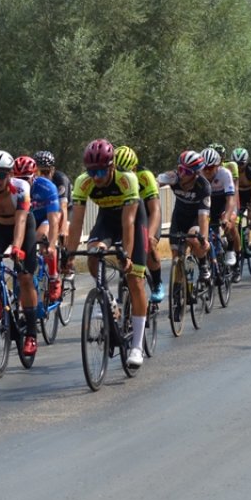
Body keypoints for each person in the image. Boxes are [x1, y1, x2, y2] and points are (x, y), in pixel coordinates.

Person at [64, 139, 148, 369]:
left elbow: (129, 222)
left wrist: (127, 256)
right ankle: (109, 300)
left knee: (135, 280)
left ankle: (137, 346)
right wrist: (69, 255)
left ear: (112, 167)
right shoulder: (83, 183)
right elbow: (77, 222)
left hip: (132, 219)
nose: (97, 176)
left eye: (101, 171)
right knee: (93, 255)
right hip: (107, 221)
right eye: (92, 171)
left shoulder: (126, 179)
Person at [0, 150, 40, 359]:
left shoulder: (21, 188)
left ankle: (31, 333)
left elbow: (21, 221)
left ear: (10, 174)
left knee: (25, 278)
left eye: (1, 175)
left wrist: (17, 248)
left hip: (23, 226)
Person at [114, 146, 165, 302]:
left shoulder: (145, 176)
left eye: (127, 171)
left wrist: (149, 235)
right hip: (127, 215)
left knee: (148, 244)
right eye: (119, 170)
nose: (123, 175)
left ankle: (157, 283)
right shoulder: (114, 177)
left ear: (134, 168)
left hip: (148, 215)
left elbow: (155, 209)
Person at [13, 155, 63, 301]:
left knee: (42, 238)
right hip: (27, 221)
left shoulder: (47, 187)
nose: (22, 182)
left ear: (34, 175)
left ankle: (53, 277)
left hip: (45, 218)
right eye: (18, 179)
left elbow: (54, 219)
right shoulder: (12, 188)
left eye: (26, 179)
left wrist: (52, 244)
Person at [158, 150, 214, 280]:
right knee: (176, 255)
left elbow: (203, 217)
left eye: (187, 172)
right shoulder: (174, 177)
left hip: (196, 218)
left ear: (196, 174)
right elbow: (155, 183)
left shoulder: (203, 187)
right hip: (179, 216)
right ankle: (179, 288)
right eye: (180, 169)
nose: (182, 174)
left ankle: (203, 263)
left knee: (194, 238)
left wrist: (203, 240)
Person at [199, 147, 239, 277]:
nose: (207, 171)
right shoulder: (199, 174)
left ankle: (231, 248)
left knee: (229, 221)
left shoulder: (225, 173)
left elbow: (231, 200)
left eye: (210, 168)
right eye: (204, 168)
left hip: (223, 203)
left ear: (218, 166)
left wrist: (226, 218)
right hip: (208, 204)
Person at [34, 150, 74, 277]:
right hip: (43, 212)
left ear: (52, 170)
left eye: (46, 172)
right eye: (38, 172)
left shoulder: (60, 180)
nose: (43, 176)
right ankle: (49, 267)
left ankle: (68, 261)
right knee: (42, 238)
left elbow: (63, 207)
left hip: (64, 210)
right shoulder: (32, 182)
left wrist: (62, 230)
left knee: (64, 231)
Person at [231, 147, 251, 255]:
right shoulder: (230, 170)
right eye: (236, 164)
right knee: (234, 217)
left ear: (247, 162)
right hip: (239, 194)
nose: (239, 167)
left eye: (241, 164)